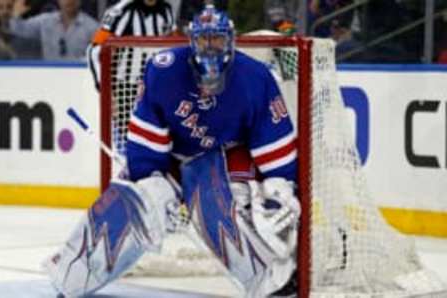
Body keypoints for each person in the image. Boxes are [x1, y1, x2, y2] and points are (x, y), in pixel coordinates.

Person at [44, 5, 300, 298]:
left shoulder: (256, 79)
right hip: (173, 157)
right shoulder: (163, 70)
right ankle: (74, 275)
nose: (210, 48)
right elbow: (146, 151)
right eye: (204, 40)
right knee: (137, 199)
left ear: (231, 40)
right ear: (191, 40)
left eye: (217, 39)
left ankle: (274, 282)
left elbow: (275, 153)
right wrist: (152, 181)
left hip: (223, 157)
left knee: (232, 202)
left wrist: (279, 191)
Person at [88, 0, 176, 91]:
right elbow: (95, 50)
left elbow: (174, 45)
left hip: (157, 81)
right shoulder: (120, 10)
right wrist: (103, 85)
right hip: (126, 85)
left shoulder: (167, 9)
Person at [8, 0, 98, 60]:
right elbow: (19, 29)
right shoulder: (45, 21)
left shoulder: (92, 27)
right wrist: (15, 15)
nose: (69, 1)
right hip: (49, 77)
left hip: (78, 79)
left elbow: (97, 57)